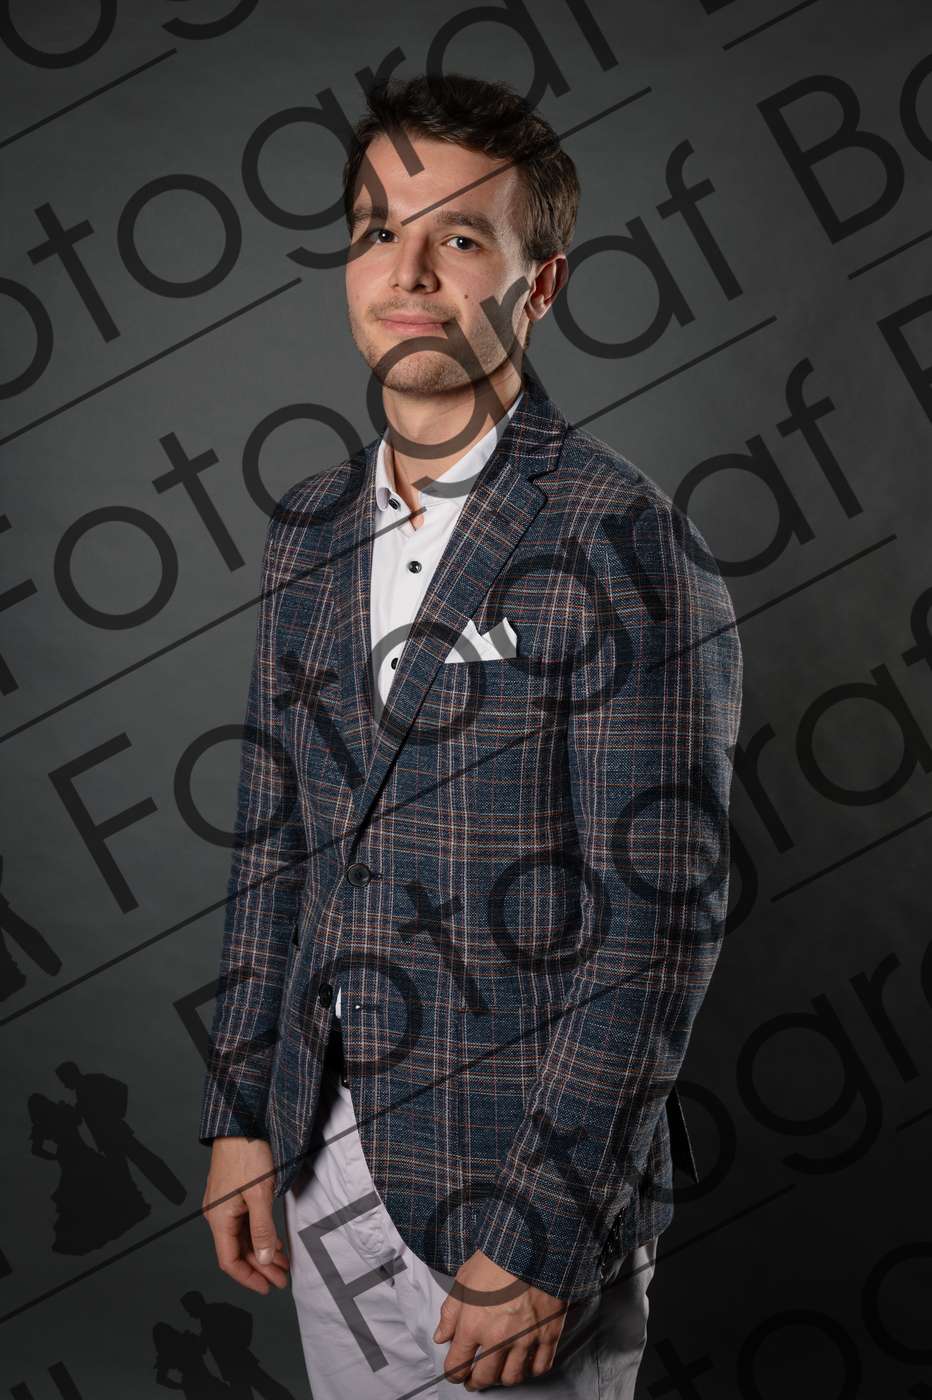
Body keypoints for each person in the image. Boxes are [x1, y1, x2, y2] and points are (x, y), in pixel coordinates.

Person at [199, 72, 742, 1397]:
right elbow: (277, 843)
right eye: (380, 230)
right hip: (322, 1159)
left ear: (536, 285)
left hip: (511, 1191)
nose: (409, 271)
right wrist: (242, 1115)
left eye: (458, 236)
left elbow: (657, 924)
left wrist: (546, 1236)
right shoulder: (307, 529)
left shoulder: (626, 542)